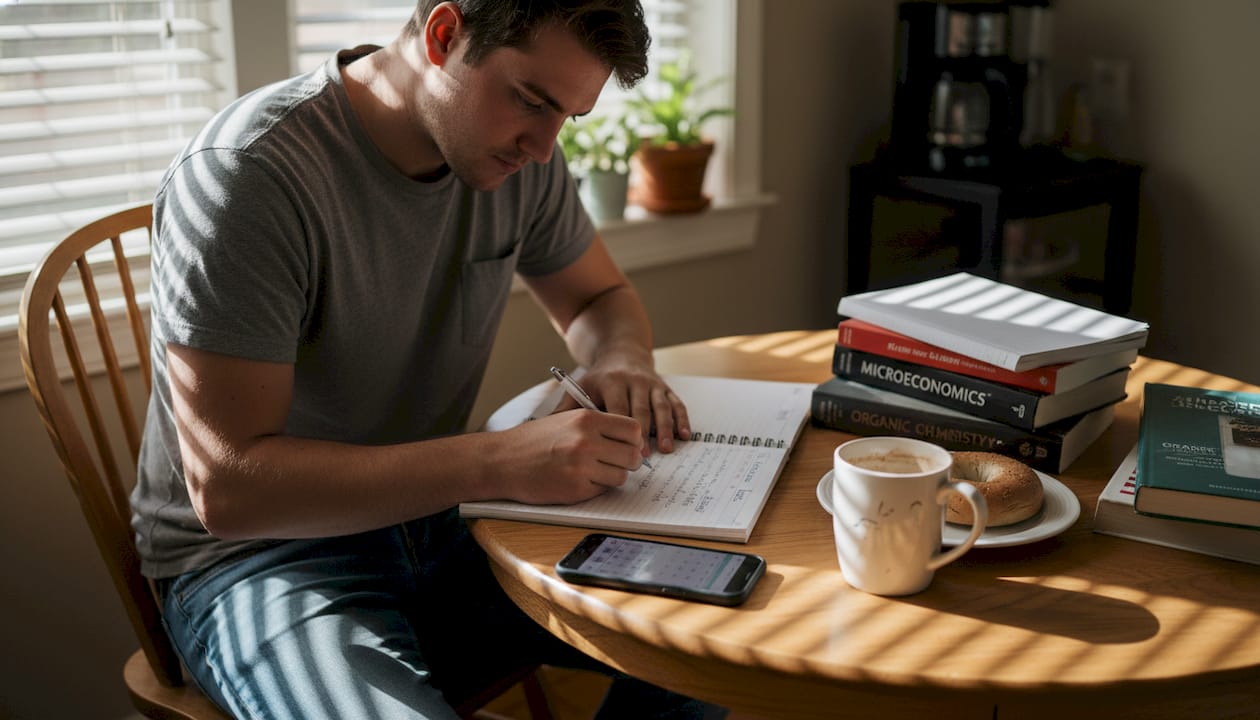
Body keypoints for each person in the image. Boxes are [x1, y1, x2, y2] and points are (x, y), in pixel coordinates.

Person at [131, 1, 724, 717]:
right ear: (444, 36)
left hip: (443, 528)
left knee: (708, 637)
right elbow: (230, 488)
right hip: (262, 561)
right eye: (532, 101)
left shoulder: (517, 157)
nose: (543, 147)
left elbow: (598, 297)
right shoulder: (249, 176)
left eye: (569, 117)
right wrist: (499, 462)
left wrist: (623, 359)